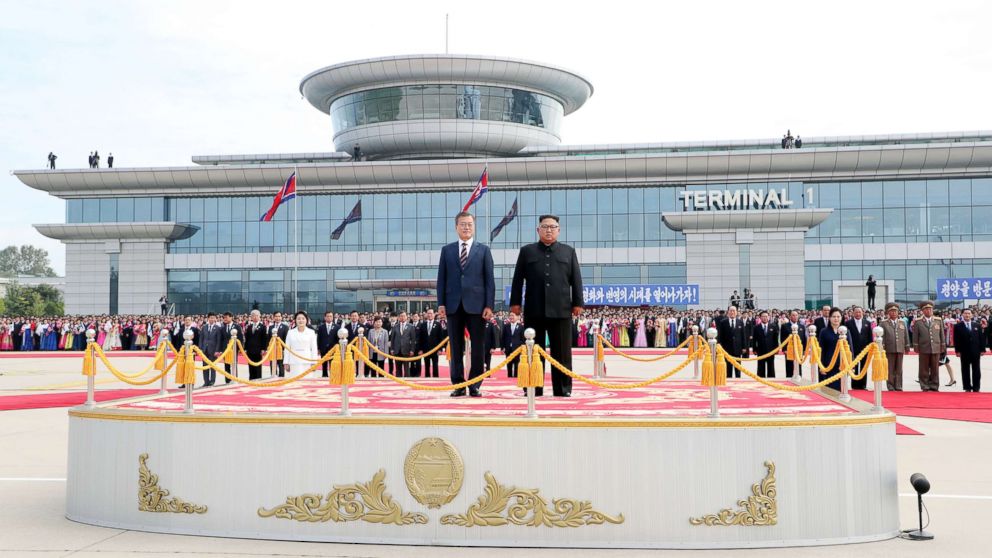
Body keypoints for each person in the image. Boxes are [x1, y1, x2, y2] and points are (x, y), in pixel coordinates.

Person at [509, 214, 583, 397]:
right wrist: (515, 303)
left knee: (562, 353)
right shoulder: (527, 251)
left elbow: (576, 279)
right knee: (534, 351)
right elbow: (518, 279)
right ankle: (534, 387)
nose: (549, 230)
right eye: (545, 226)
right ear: (538, 230)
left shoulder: (568, 251)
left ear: (559, 230)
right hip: (535, 310)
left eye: (552, 226)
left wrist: (578, 303)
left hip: (561, 310)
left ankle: (563, 389)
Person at [437, 211, 495, 397]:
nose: (466, 227)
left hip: (477, 306)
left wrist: (489, 305)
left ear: (474, 226)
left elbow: (489, 280)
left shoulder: (483, 250)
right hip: (453, 305)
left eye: (470, 224)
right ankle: (458, 384)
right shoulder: (447, 250)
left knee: (478, 346)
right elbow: (441, 280)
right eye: (463, 224)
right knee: (455, 347)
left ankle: (475, 384)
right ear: (456, 227)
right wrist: (441, 304)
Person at [911, 301, 945, 392]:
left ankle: (934, 385)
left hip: (936, 347)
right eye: (926, 309)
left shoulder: (938, 320)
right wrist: (916, 346)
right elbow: (915, 335)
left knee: (935, 368)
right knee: (923, 368)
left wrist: (943, 345)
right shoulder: (918, 322)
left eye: (930, 309)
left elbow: (941, 334)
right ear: (922, 311)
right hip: (923, 347)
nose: (928, 311)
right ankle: (924, 385)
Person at [879, 302, 909, 391]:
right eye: (891, 311)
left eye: (895, 311)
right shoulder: (883, 323)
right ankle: (891, 385)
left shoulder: (902, 322)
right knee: (890, 368)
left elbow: (905, 335)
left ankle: (898, 385)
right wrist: (882, 348)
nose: (894, 313)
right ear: (888, 312)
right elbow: (882, 337)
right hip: (889, 349)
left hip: (900, 348)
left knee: (899, 368)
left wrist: (907, 346)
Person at [954, 309, 985, 392]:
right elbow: (956, 340)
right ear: (962, 315)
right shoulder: (958, 326)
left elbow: (981, 338)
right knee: (965, 370)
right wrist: (957, 351)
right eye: (965, 313)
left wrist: (982, 349)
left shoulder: (977, 325)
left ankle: (976, 387)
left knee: (976, 369)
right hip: (964, 351)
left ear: (971, 315)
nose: (967, 315)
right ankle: (967, 387)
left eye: (969, 313)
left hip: (975, 351)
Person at [845, 306, 873, 389]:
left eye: (859, 312)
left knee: (864, 367)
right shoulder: (848, 323)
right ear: (853, 313)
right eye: (856, 312)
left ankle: (863, 385)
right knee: (854, 367)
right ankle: (855, 385)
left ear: (862, 313)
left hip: (865, 349)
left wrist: (870, 348)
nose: (858, 314)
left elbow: (870, 337)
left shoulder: (867, 323)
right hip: (853, 349)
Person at [817, 307, 845, 391]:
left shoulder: (846, 331)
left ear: (841, 318)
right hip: (828, 365)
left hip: (842, 365)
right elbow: (821, 350)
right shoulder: (824, 331)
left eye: (838, 316)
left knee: (841, 389)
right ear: (829, 318)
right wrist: (821, 366)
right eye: (833, 316)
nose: (836, 319)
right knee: (828, 389)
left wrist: (851, 365)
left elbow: (850, 349)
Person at [284, 311, 318, 376]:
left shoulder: (311, 332)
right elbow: (287, 348)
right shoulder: (290, 332)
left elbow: (314, 349)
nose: (301, 320)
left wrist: (314, 362)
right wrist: (286, 362)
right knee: (294, 383)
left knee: (306, 382)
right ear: (295, 320)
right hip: (294, 362)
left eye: (303, 318)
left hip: (307, 361)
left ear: (306, 320)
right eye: (298, 318)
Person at [718, 306, 746, 378]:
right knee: (728, 367)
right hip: (727, 349)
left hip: (738, 348)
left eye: (734, 311)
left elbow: (743, 335)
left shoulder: (740, 322)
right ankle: (728, 379)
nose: (732, 312)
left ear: (736, 312)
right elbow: (720, 336)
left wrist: (744, 347)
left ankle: (738, 380)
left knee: (738, 367)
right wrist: (719, 346)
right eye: (731, 311)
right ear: (728, 312)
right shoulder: (723, 322)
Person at [418, 308, 444, 378]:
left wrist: (440, 349)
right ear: (426, 314)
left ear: (434, 314)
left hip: (435, 349)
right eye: (428, 313)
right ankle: (427, 378)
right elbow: (420, 338)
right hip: (426, 349)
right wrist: (420, 349)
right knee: (426, 365)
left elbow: (441, 338)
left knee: (435, 365)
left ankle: (436, 379)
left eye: (431, 313)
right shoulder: (423, 324)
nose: (429, 315)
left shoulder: (438, 324)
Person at [751, 310, 778, 378]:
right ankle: (760, 380)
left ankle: (771, 381)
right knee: (760, 367)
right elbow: (754, 340)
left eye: (766, 316)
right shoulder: (756, 327)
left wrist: (776, 349)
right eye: (763, 316)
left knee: (771, 367)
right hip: (760, 350)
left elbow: (775, 339)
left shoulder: (773, 326)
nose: (765, 318)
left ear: (768, 317)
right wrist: (754, 349)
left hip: (771, 350)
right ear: (760, 317)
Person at [198, 312, 222, 387]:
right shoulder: (204, 327)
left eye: (213, 318)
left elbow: (219, 340)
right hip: (205, 350)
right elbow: (201, 338)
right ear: (208, 318)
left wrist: (217, 350)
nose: (212, 319)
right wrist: (200, 349)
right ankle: (206, 382)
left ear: (215, 319)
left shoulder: (218, 328)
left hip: (213, 350)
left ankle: (212, 381)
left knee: (213, 366)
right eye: (210, 317)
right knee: (205, 367)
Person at [389, 311, 417, 377]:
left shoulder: (411, 326)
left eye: (404, 316)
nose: (402, 317)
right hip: (397, 350)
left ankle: (407, 381)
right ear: (398, 317)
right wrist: (392, 349)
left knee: (407, 368)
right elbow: (392, 339)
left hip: (406, 350)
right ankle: (398, 381)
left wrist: (412, 350)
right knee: (398, 368)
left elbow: (413, 339)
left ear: (407, 317)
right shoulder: (395, 327)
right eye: (401, 316)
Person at [780, 310, 806, 379]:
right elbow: (782, 338)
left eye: (796, 315)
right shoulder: (785, 326)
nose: (795, 317)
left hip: (799, 349)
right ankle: (789, 379)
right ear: (790, 316)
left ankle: (799, 378)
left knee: (799, 365)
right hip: (789, 349)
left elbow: (804, 338)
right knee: (789, 365)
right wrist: (784, 349)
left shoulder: (801, 326)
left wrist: (804, 349)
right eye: (793, 315)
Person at [219, 311, 244, 383]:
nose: (225, 319)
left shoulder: (237, 326)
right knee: (226, 365)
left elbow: (240, 338)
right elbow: (221, 339)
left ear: (231, 317)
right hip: (225, 349)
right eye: (224, 317)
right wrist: (221, 349)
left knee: (234, 364)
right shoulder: (223, 327)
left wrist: (240, 348)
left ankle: (235, 379)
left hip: (234, 349)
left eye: (226, 317)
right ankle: (227, 381)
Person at [243, 310, 267, 380]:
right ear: (251, 317)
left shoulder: (263, 327)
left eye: (257, 315)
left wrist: (263, 349)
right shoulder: (249, 326)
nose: (255, 317)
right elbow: (247, 338)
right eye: (253, 315)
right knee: (250, 365)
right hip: (250, 350)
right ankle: (251, 378)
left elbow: (264, 339)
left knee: (258, 365)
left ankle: (258, 379)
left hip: (258, 350)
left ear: (259, 316)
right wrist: (245, 348)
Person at [501, 312, 524, 378]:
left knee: (517, 364)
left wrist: (522, 348)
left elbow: (523, 339)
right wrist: (502, 347)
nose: (511, 317)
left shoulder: (521, 326)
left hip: (517, 349)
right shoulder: (506, 326)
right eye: (510, 315)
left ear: (517, 317)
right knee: (509, 364)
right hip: (508, 348)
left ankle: (516, 377)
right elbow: (503, 337)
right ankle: (509, 377)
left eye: (513, 316)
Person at [316, 311, 339, 378]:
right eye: (327, 316)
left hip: (333, 349)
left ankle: (333, 376)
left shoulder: (337, 327)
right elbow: (319, 338)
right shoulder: (321, 327)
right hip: (323, 348)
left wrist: (338, 348)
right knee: (324, 363)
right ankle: (324, 375)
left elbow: (338, 339)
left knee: (333, 363)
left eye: (330, 316)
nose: (329, 318)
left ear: (333, 317)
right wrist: (318, 348)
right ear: (325, 317)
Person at [268, 312, 289, 377]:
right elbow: (268, 338)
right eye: (276, 316)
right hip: (272, 350)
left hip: (281, 350)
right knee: (272, 365)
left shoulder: (285, 327)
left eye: (279, 316)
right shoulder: (270, 327)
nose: (278, 318)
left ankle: (281, 379)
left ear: (281, 317)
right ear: (273, 317)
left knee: (281, 366)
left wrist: (285, 349)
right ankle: (273, 377)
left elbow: (286, 340)